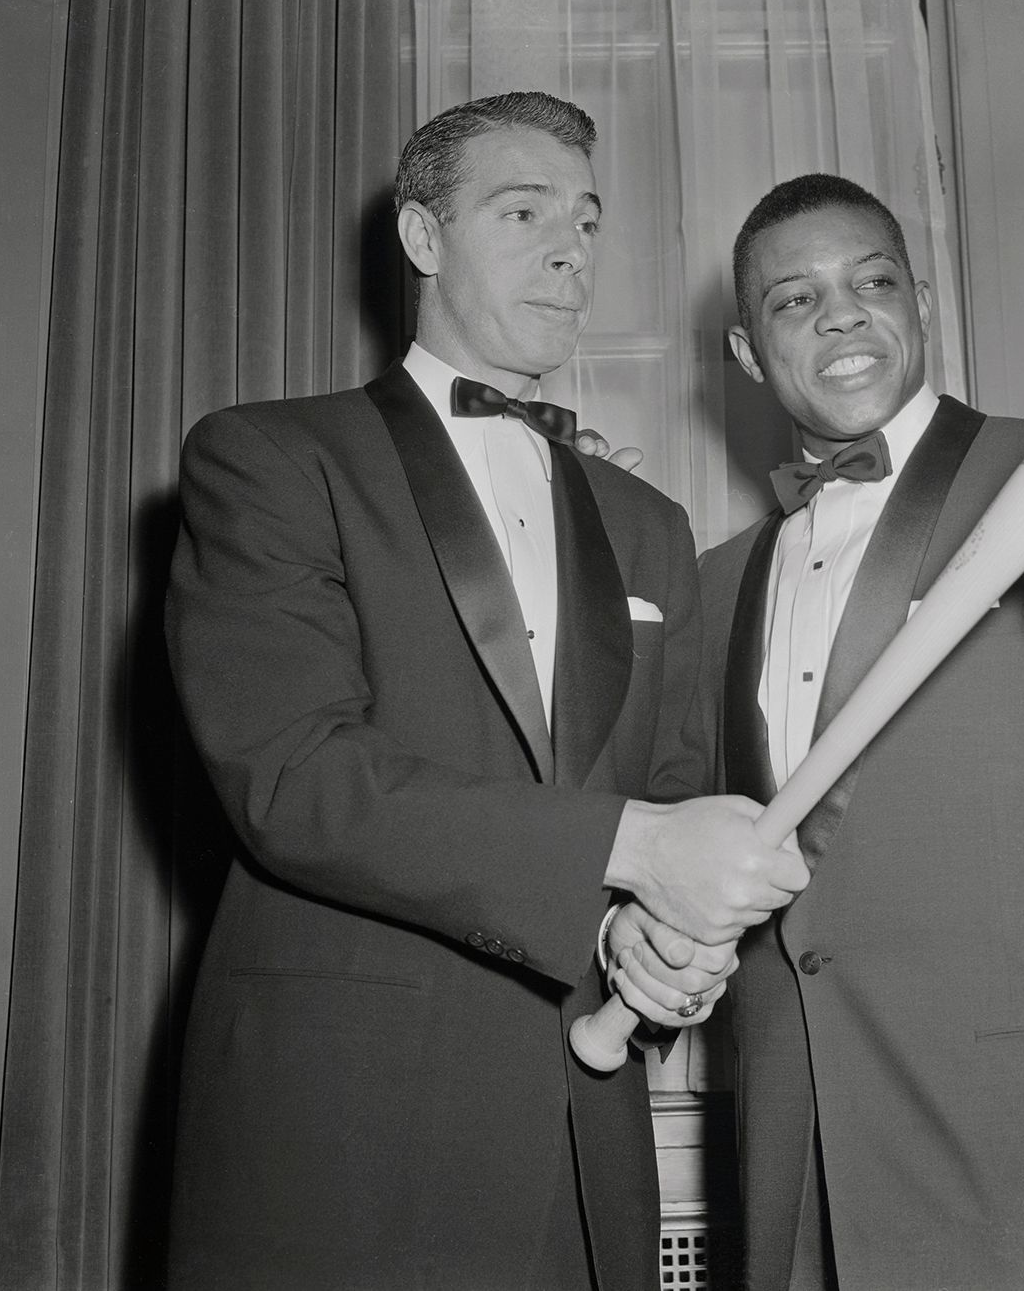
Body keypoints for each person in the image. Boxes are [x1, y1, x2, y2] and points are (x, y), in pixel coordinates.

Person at [163, 91, 805, 1290]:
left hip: (581, 1130)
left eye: (588, 220)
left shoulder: (647, 523)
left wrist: (653, 944)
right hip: (340, 1134)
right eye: (523, 212)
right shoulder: (270, 458)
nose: (572, 249)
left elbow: (666, 794)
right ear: (421, 239)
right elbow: (295, 778)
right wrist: (631, 849)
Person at [613, 172, 1024, 1289]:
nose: (840, 313)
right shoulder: (718, 582)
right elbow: (694, 852)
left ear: (918, 302)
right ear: (743, 353)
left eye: (871, 280)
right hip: (802, 1162)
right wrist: (643, 928)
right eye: (794, 300)